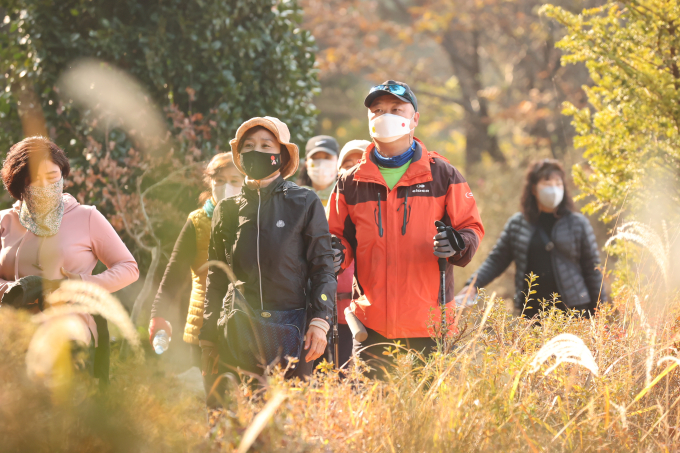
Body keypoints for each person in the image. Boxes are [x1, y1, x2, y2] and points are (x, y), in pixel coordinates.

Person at [328, 81, 484, 372]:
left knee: (430, 415)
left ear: (415, 118)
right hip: (370, 326)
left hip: (430, 326)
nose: (385, 115)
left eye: (396, 109)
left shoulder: (443, 174)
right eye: (378, 110)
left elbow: (471, 226)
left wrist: (457, 243)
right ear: (369, 120)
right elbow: (337, 236)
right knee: (374, 414)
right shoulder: (350, 182)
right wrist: (336, 253)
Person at [200, 117, 336, 382]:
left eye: (266, 145)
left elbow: (323, 267)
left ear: (282, 154)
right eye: (249, 145)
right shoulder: (226, 210)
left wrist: (320, 322)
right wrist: (208, 337)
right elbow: (216, 277)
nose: (256, 152)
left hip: (293, 327)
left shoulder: (304, 202)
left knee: (288, 416)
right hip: (237, 326)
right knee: (240, 417)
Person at [0, 136, 139, 383]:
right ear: (20, 184)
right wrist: (12, 291)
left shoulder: (87, 217)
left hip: (69, 327)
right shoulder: (5, 221)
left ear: (63, 176)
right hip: (12, 324)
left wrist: (80, 284)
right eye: (35, 180)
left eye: (52, 178)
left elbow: (128, 268)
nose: (45, 186)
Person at [149, 152, 244, 401]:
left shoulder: (256, 218)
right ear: (209, 182)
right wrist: (158, 316)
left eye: (235, 181)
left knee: (248, 402)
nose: (226, 187)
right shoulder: (197, 222)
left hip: (248, 325)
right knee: (216, 401)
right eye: (220, 180)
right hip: (206, 327)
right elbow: (174, 273)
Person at [459, 159, 606, 318]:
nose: (554, 188)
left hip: (574, 311)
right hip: (532, 314)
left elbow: (594, 271)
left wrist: (600, 312)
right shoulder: (518, 224)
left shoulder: (577, 224)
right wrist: (472, 285)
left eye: (558, 183)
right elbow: (496, 260)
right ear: (534, 189)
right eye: (547, 183)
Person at [333, 139, 371, 368]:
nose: (352, 168)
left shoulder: (376, 212)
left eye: (359, 162)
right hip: (329, 317)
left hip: (364, 317)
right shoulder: (322, 212)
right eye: (346, 163)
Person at [297, 135, 339, 207]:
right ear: (306, 164)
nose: (321, 164)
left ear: (338, 162)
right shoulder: (295, 199)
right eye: (315, 158)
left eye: (327, 157)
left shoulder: (345, 200)